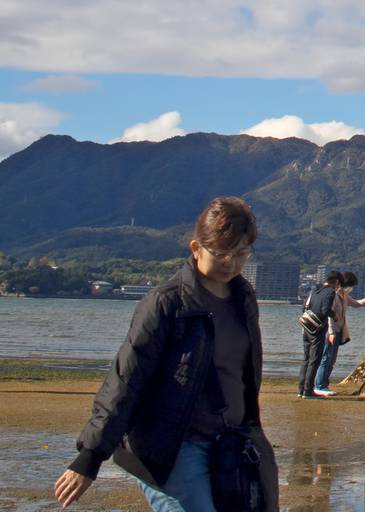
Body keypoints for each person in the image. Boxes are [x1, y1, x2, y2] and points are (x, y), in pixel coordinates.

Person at [54, 196, 279, 511]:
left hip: (231, 442)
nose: (232, 263)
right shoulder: (165, 303)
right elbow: (127, 378)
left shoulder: (243, 298)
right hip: (173, 447)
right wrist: (90, 456)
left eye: (241, 253)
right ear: (195, 247)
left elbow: (241, 375)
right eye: (222, 253)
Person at [312, 271, 365, 396]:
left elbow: (357, 303)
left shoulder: (344, 295)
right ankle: (319, 385)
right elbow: (329, 316)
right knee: (326, 358)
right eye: (351, 285)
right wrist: (331, 333)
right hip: (330, 331)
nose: (351, 288)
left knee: (331, 360)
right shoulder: (334, 295)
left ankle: (324, 384)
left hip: (338, 331)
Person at [299, 271, 342, 399]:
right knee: (314, 360)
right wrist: (335, 315)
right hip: (317, 330)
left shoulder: (314, 290)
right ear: (336, 282)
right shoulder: (330, 292)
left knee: (306, 360)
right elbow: (325, 310)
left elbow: (304, 308)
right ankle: (308, 391)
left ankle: (301, 390)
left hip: (306, 327)